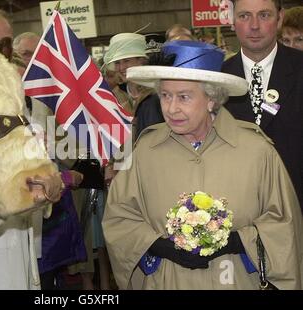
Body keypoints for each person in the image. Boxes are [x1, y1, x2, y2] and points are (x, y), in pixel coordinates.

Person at [102, 40, 303, 289]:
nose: (171, 108)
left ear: (211, 99)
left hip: (237, 281)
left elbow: (285, 225)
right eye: (165, 96)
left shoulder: (257, 152)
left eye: (184, 97)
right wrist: (158, 246)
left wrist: (238, 241)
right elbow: (118, 218)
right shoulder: (144, 152)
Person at [222, 0, 303, 210]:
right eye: (244, 16)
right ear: (233, 20)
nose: (254, 25)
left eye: (264, 15)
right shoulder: (216, 79)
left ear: (280, 17)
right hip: (237, 212)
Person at [103, 32, 164, 140]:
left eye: (127, 61)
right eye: (117, 62)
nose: (121, 67)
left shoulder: (158, 94)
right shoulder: (113, 96)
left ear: (141, 61)